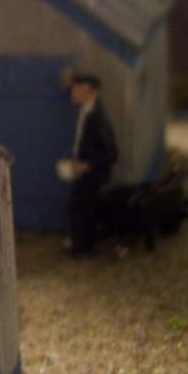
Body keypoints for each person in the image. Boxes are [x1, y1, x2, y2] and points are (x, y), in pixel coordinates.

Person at [59, 71, 118, 254]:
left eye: (76, 88)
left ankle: (82, 246)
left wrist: (87, 165)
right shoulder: (86, 110)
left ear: (87, 89)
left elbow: (112, 153)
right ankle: (81, 244)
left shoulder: (97, 117)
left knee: (82, 208)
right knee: (79, 208)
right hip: (84, 171)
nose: (72, 92)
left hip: (92, 175)